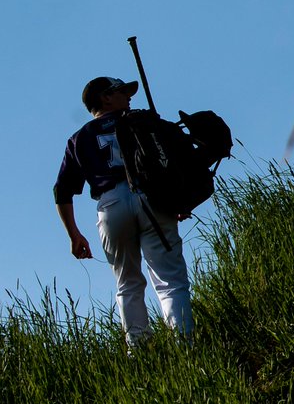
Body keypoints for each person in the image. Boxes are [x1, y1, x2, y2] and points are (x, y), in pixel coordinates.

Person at [54, 76, 194, 349]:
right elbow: (176, 156)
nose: (128, 97)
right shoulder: (142, 121)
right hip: (150, 198)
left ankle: (139, 354)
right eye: (121, 92)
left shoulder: (78, 138)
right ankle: (185, 347)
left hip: (110, 206)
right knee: (170, 282)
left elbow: (62, 191)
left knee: (127, 284)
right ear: (105, 98)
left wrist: (74, 234)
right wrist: (179, 199)